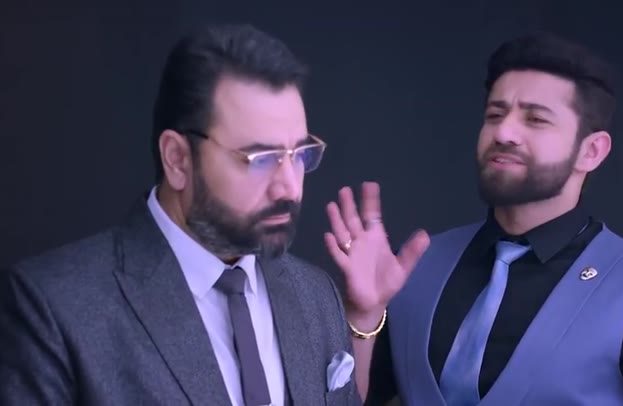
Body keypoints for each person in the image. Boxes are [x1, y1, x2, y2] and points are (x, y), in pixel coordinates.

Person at [326, 33, 623, 405]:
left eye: (535, 119)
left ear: (592, 151)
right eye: (495, 114)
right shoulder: (413, 269)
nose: (504, 132)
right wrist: (364, 314)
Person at [0, 24, 364, 406]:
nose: (290, 187)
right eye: (261, 158)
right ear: (177, 159)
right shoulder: (53, 307)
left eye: (300, 154)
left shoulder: (316, 295)